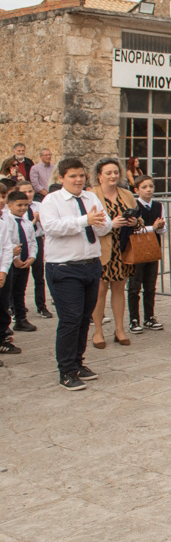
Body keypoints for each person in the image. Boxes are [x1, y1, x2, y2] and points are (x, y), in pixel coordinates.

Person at [39, 158, 113, 389]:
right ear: (61, 178)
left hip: (90, 264)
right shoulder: (52, 200)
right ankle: (67, 370)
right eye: (72, 176)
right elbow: (52, 227)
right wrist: (84, 220)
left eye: (81, 175)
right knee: (70, 319)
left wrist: (100, 223)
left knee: (83, 318)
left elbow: (105, 225)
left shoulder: (91, 198)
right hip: (64, 267)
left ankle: (78, 362)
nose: (78, 180)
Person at [89, 157, 138, 348]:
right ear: (99, 176)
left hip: (122, 248)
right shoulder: (91, 195)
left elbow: (138, 217)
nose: (113, 176)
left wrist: (135, 222)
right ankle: (98, 331)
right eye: (108, 173)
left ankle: (119, 329)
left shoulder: (126, 194)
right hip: (101, 248)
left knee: (119, 290)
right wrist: (111, 224)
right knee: (100, 291)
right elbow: (89, 222)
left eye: (116, 172)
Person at [127, 175, 165, 334]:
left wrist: (160, 227)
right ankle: (133, 319)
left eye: (151, 186)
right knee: (134, 286)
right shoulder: (133, 206)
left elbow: (162, 229)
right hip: (137, 249)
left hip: (153, 247)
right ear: (137, 190)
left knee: (150, 285)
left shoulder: (158, 205)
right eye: (144, 187)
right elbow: (132, 229)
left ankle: (149, 316)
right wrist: (152, 228)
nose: (148, 190)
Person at [6, 184, 38, 333]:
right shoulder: (7, 222)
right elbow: (9, 242)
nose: (23, 208)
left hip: (24, 262)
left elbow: (32, 241)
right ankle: (5, 323)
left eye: (25, 205)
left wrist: (32, 257)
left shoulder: (27, 222)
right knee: (7, 293)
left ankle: (21, 319)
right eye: (19, 205)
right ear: (10, 205)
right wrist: (15, 259)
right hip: (11, 263)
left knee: (20, 292)